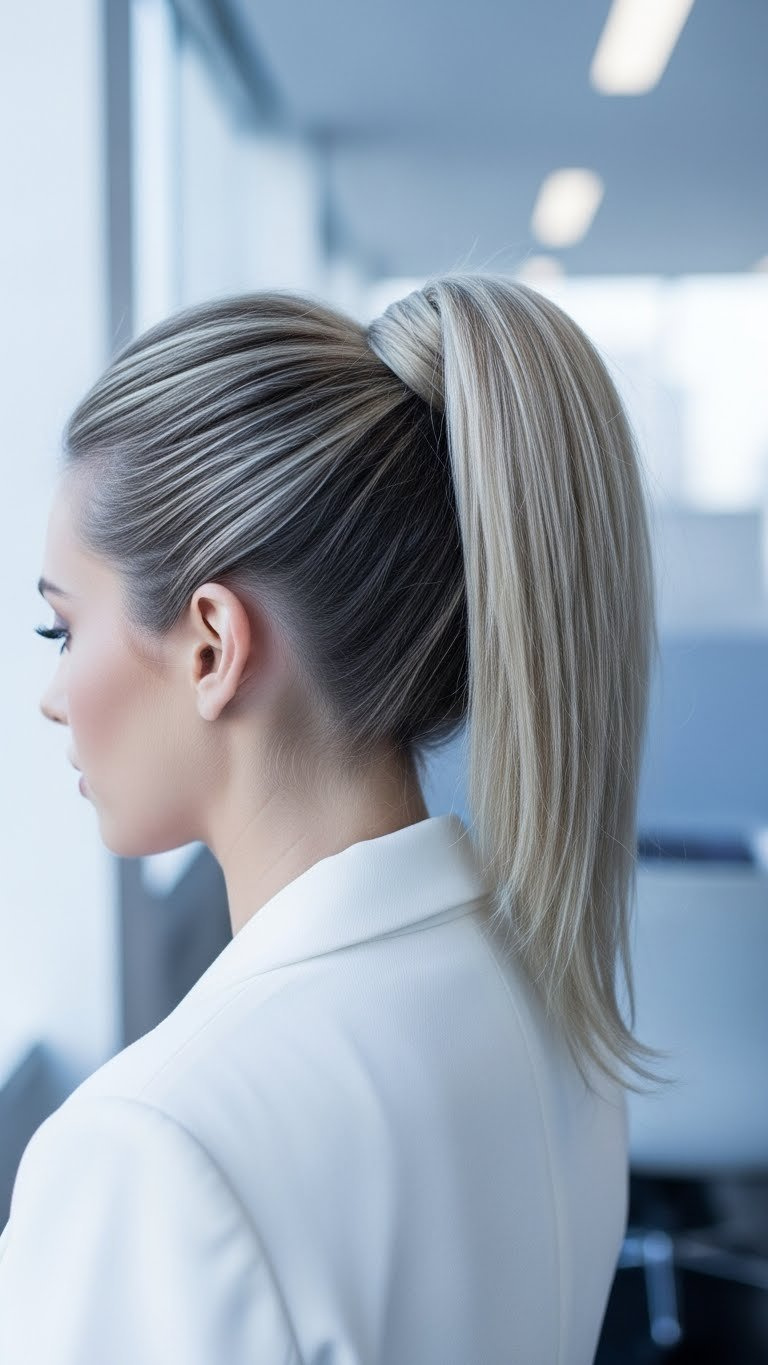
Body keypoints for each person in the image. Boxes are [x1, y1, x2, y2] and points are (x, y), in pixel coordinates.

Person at [0, 272, 669, 1363]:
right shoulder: (554, 1011)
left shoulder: (156, 1151)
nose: (53, 694)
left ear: (212, 646)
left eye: (59, 631)